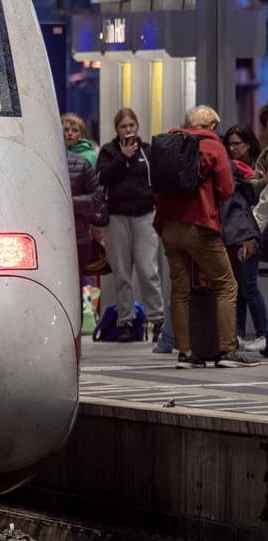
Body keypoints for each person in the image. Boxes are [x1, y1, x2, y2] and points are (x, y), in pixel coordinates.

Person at [156, 105, 259, 367]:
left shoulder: (170, 142)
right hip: (199, 224)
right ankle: (226, 351)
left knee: (180, 289)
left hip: (168, 225)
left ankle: (186, 353)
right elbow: (226, 190)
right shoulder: (213, 146)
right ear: (212, 126)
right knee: (227, 284)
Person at [97, 108, 165, 344]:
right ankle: (126, 321)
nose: (128, 130)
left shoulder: (147, 150)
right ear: (117, 129)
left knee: (149, 271)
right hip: (117, 217)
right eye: (124, 127)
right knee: (122, 273)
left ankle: (157, 320)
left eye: (132, 126)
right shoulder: (108, 151)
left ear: (137, 127)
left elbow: (157, 179)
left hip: (145, 215)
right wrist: (122, 157)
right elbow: (102, 177)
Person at [224, 125, 268, 349]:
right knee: (239, 285)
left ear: (248, 144)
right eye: (229, 144)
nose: (232, 148)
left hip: (252, 231)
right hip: (239, 230)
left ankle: (263, 333)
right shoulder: (234, 169)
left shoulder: (256, 168)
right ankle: (238, 334)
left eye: (237, 144)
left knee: (249, 284)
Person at [68, 148, 106, 290]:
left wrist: (70, 202)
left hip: (78, 238)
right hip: (45, 239)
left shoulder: (81, 163)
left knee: (77, 288)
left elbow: (98, 197)